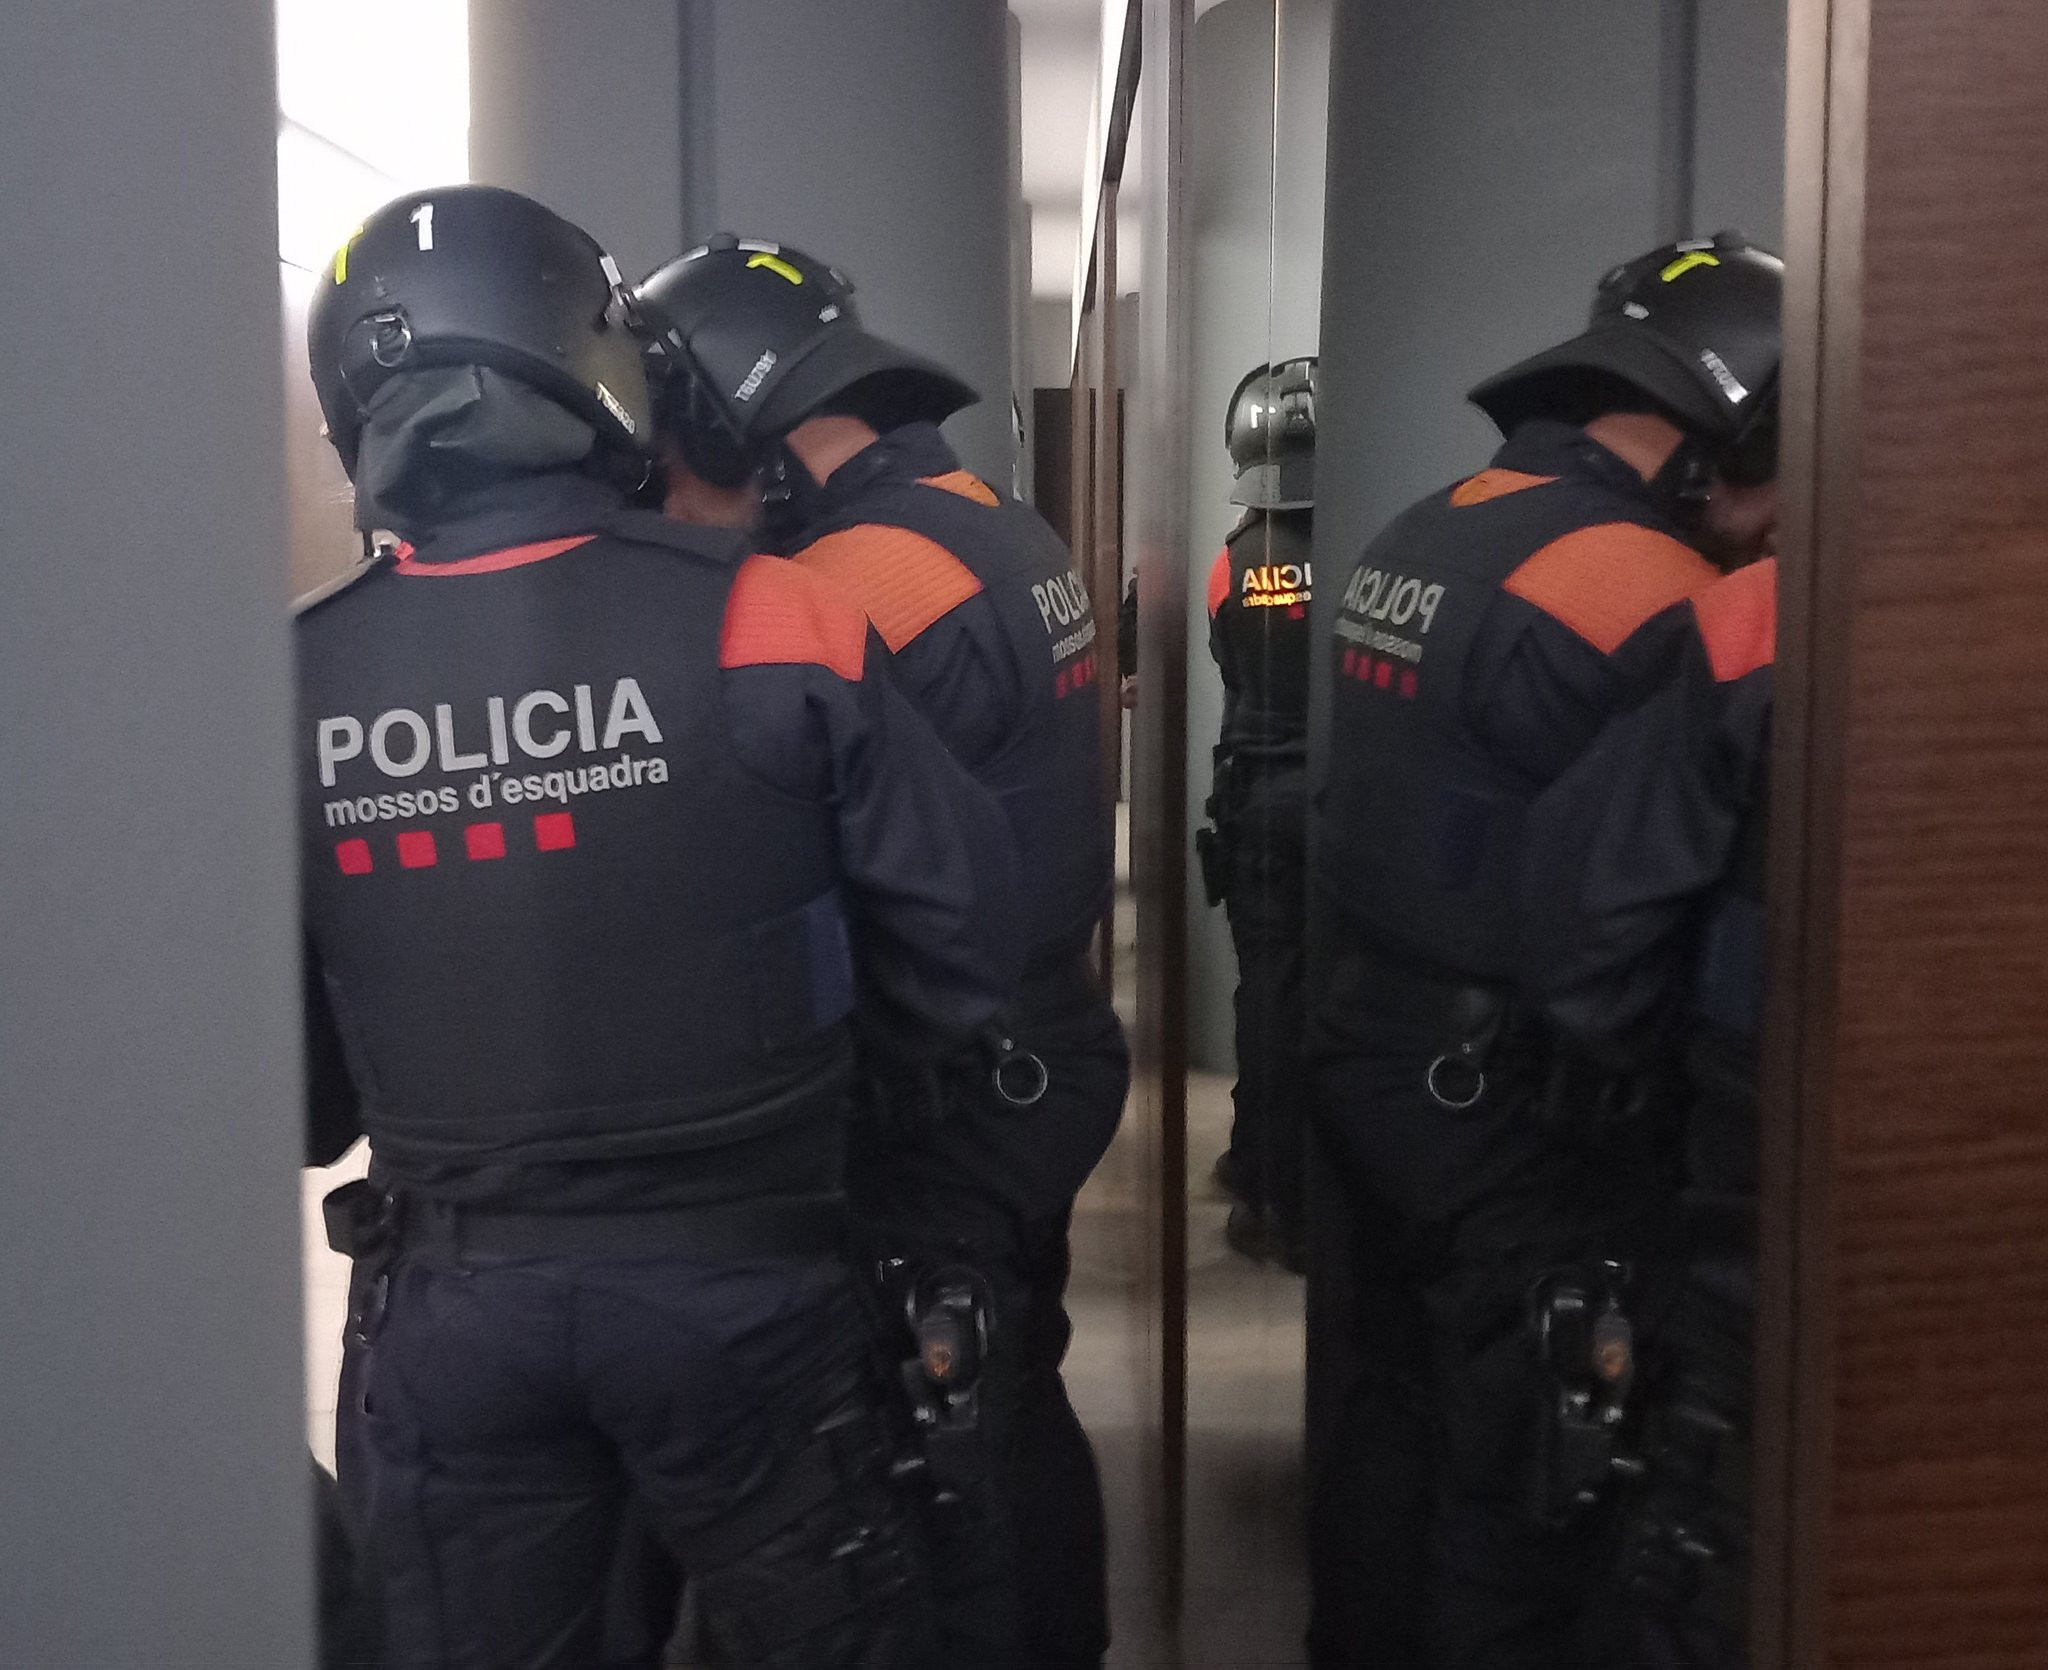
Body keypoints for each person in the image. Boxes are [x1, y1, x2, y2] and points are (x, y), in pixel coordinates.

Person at [298, 185, 1022, 1670]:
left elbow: (290, 1089)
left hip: (450, 1313)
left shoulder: (294, 682)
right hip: (748, 1291)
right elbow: (967, 937)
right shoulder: (774, 611)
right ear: (599, 363)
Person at [636, 235, 1128, 1670]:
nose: (672, 497)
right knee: (1010, 1390)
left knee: (939, 1448)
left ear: (747, 425)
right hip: (1039, 1047)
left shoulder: (853, 579)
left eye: (679, 459)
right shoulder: (987, 517)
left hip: (946, 1089)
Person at [1305, 230, 1782, 1670]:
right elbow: (1628, 898)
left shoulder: (1429, 525)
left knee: (1384, 1427)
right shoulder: (1645, 588)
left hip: (1368, 1050)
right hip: (1514, 1107)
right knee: (1523, 1480)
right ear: (1727, 428)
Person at [1518, 556, 1778, 1670]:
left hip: (1755, 1166)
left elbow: (1586, 928)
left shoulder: (1758, 610)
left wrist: (1643, 1074)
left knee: (1715, 1542)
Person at [1199, 357, 1319, 1269]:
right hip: (1340, 797)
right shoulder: (1364, 543)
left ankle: (1260, 1176)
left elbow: (1232, 671)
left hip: (1258, 795)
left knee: (1267, 995)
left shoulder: (1230, 564)